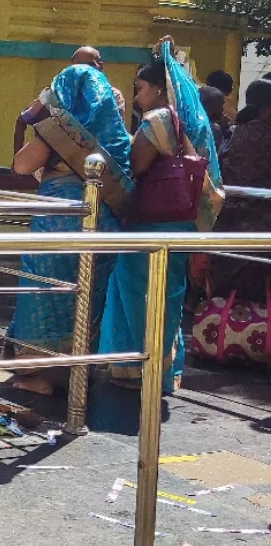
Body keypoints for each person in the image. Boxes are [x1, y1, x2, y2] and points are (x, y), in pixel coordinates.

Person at [98, 42, 223, 393]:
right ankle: (163, 369)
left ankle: (141, 368)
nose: (137, 97)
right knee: (169, 294)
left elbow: (136, 166)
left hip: (152, 222)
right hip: (180, 221)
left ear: (158, 88)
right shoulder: (187, 120)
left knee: (139, 293)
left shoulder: (158, 120)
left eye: (140, 89)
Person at [4, 63, 134, 395]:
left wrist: (38, 130)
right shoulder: (118, 137)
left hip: (60, 229)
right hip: (104, 229)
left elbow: (21, 165)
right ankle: (79, 372)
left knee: (46, 296)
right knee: (89, 297)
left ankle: (41, 375)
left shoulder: (61, 131)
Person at [207, 78, 271, 299]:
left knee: (230, 302)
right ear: (266, 110)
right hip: (262, 235)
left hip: (228, 230)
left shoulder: (233, 132)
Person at [12, 46, 124, 154]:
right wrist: (16, 163)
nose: (87, 70)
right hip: (55, 168)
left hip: (93, 166)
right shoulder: (55, 93)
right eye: (82, 66)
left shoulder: (113, 96)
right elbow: (21, 121)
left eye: (93, 64)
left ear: (101, 66)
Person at [198, 83, 230, 155]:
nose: (222, 109)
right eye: (221, 105)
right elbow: (221, 154)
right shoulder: (214, 129)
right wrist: (225, 129)